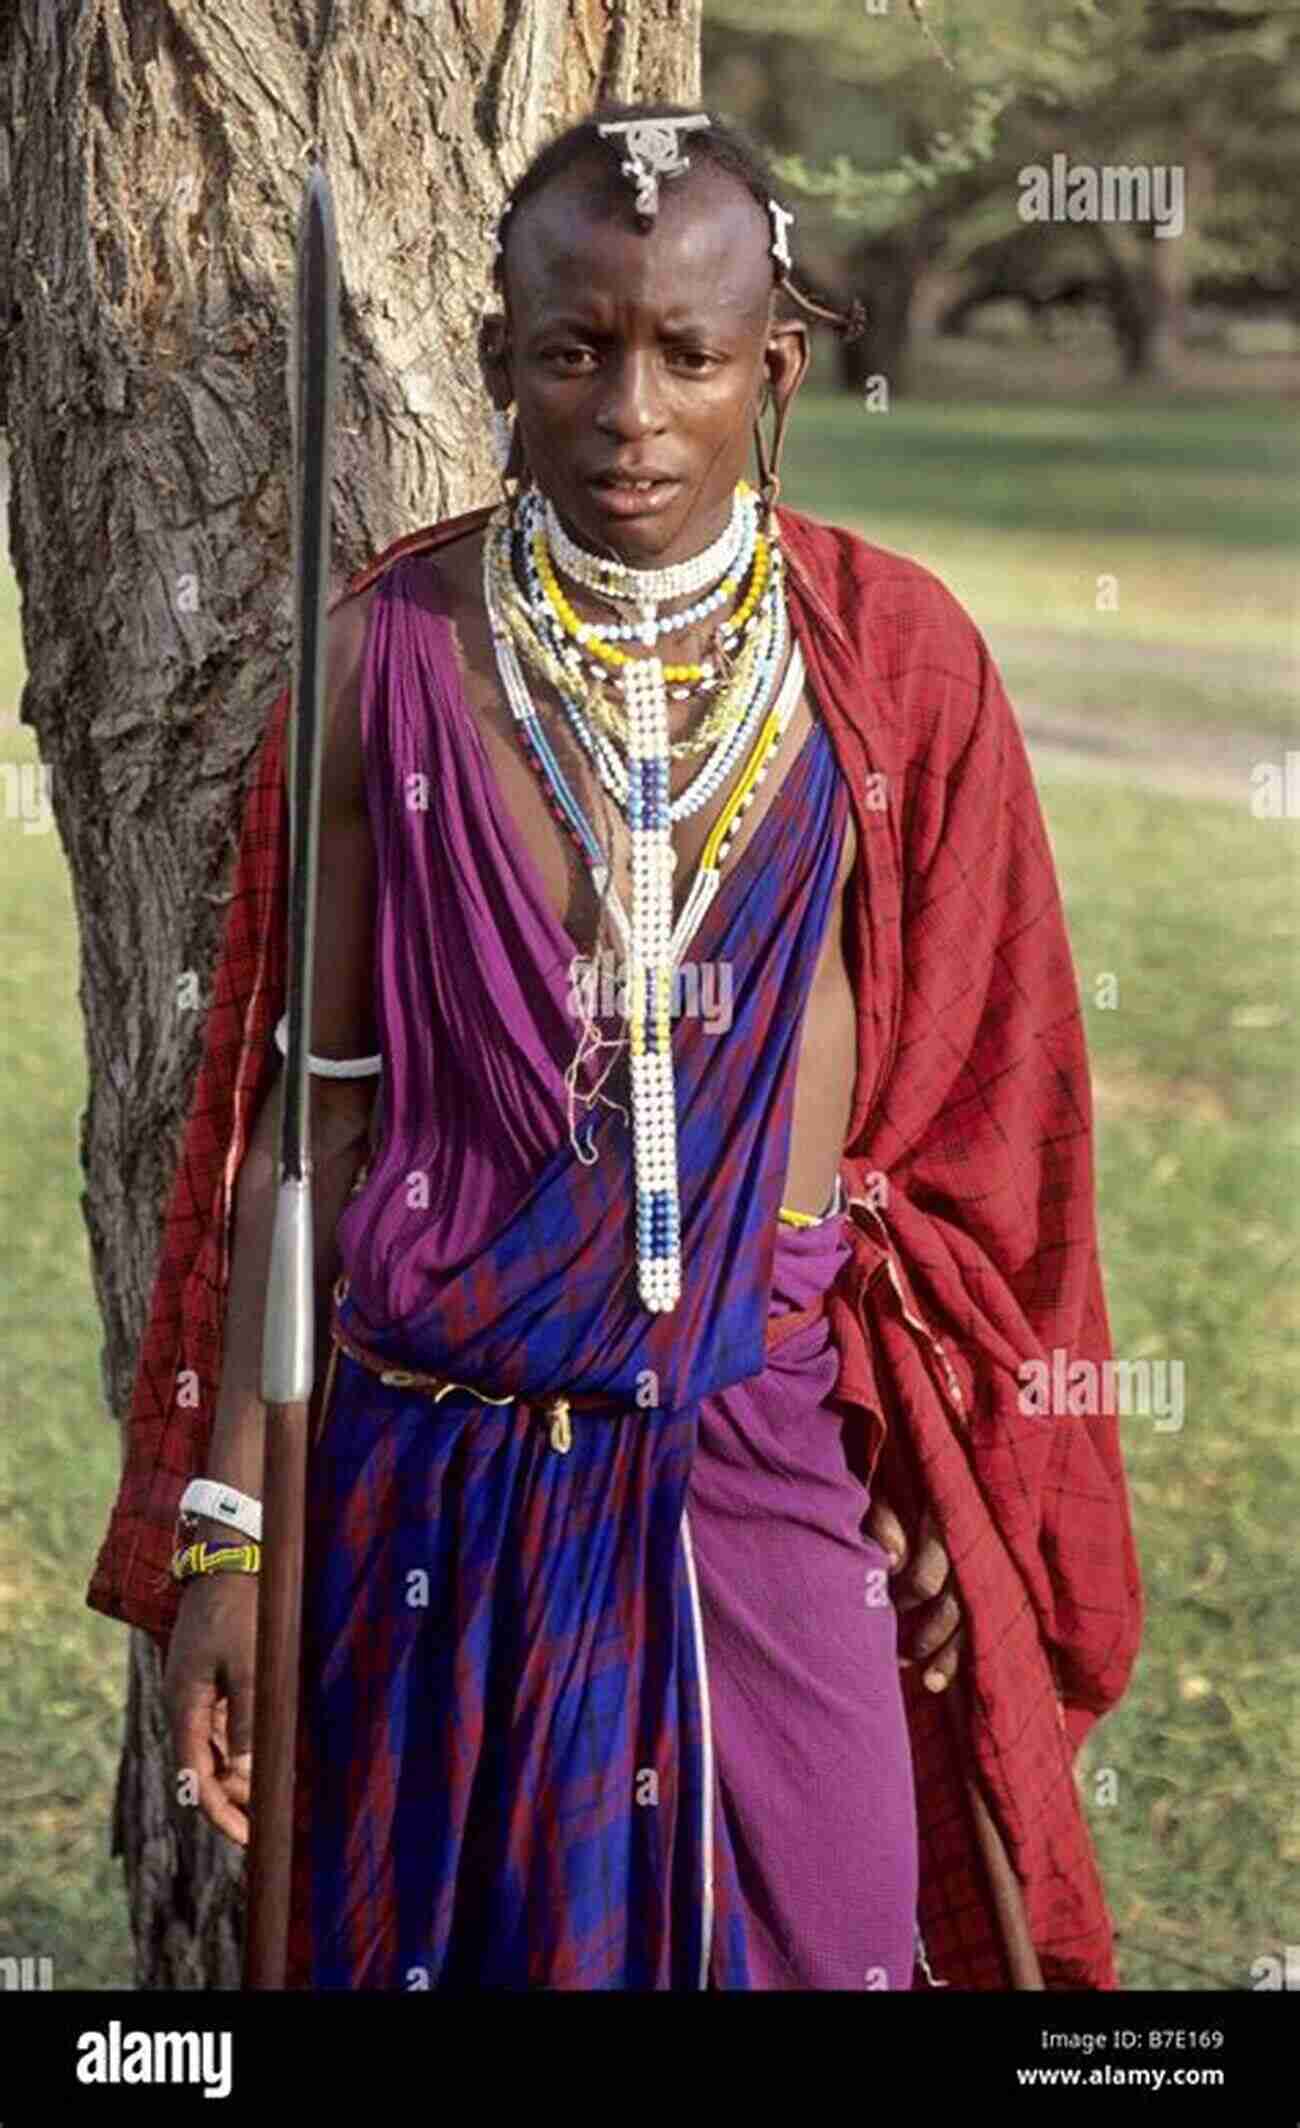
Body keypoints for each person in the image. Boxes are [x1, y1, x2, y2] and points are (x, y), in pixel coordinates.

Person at [87, 101, 1142, 1991]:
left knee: (826, 1938)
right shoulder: (387, 653)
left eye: (691, 356)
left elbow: (995, 1123)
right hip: (434, 1467)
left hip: (754, 1442)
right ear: (501, 359)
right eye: (575, 351)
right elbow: (304, 1137)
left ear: (779, 368)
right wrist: (231, 1535)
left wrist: (933, 1427)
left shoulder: (887, 664)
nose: (632, 410)